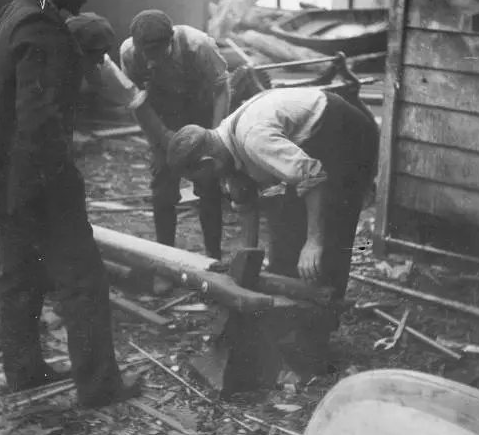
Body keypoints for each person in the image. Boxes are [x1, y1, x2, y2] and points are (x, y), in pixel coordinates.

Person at [0, 0, 140, 408]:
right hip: (41, 186)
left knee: (16, 281)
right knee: (83, 283)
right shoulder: (42, 27)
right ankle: (100, 389)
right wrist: (57, 180)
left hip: (2, 185)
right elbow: (41, 123)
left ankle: (25, 375)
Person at [162, 87, 380, 369]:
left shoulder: (254, 140)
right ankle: (289, 332)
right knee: (286, 231)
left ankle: (314, 347)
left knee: (328, 239)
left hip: (345, 133)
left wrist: (313, 242)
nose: (199, 187)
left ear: (207, 162)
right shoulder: (222, 147)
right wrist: (245, 261)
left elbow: (312, 175)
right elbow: (247, 200)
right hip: (309, 141)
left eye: (197, 178)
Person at [120, 10, 231, 260]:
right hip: (162, 118)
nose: (151, 63)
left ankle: (213, 258)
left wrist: (214, 138)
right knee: (162, 188)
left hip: (200, 116)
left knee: (209, 184)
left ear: (171, 39)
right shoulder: (129, 53)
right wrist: (160, 140)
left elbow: (222, 89)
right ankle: (166, 259)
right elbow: (136, 102)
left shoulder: (199, 45)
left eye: (159, 55)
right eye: (146, 55)